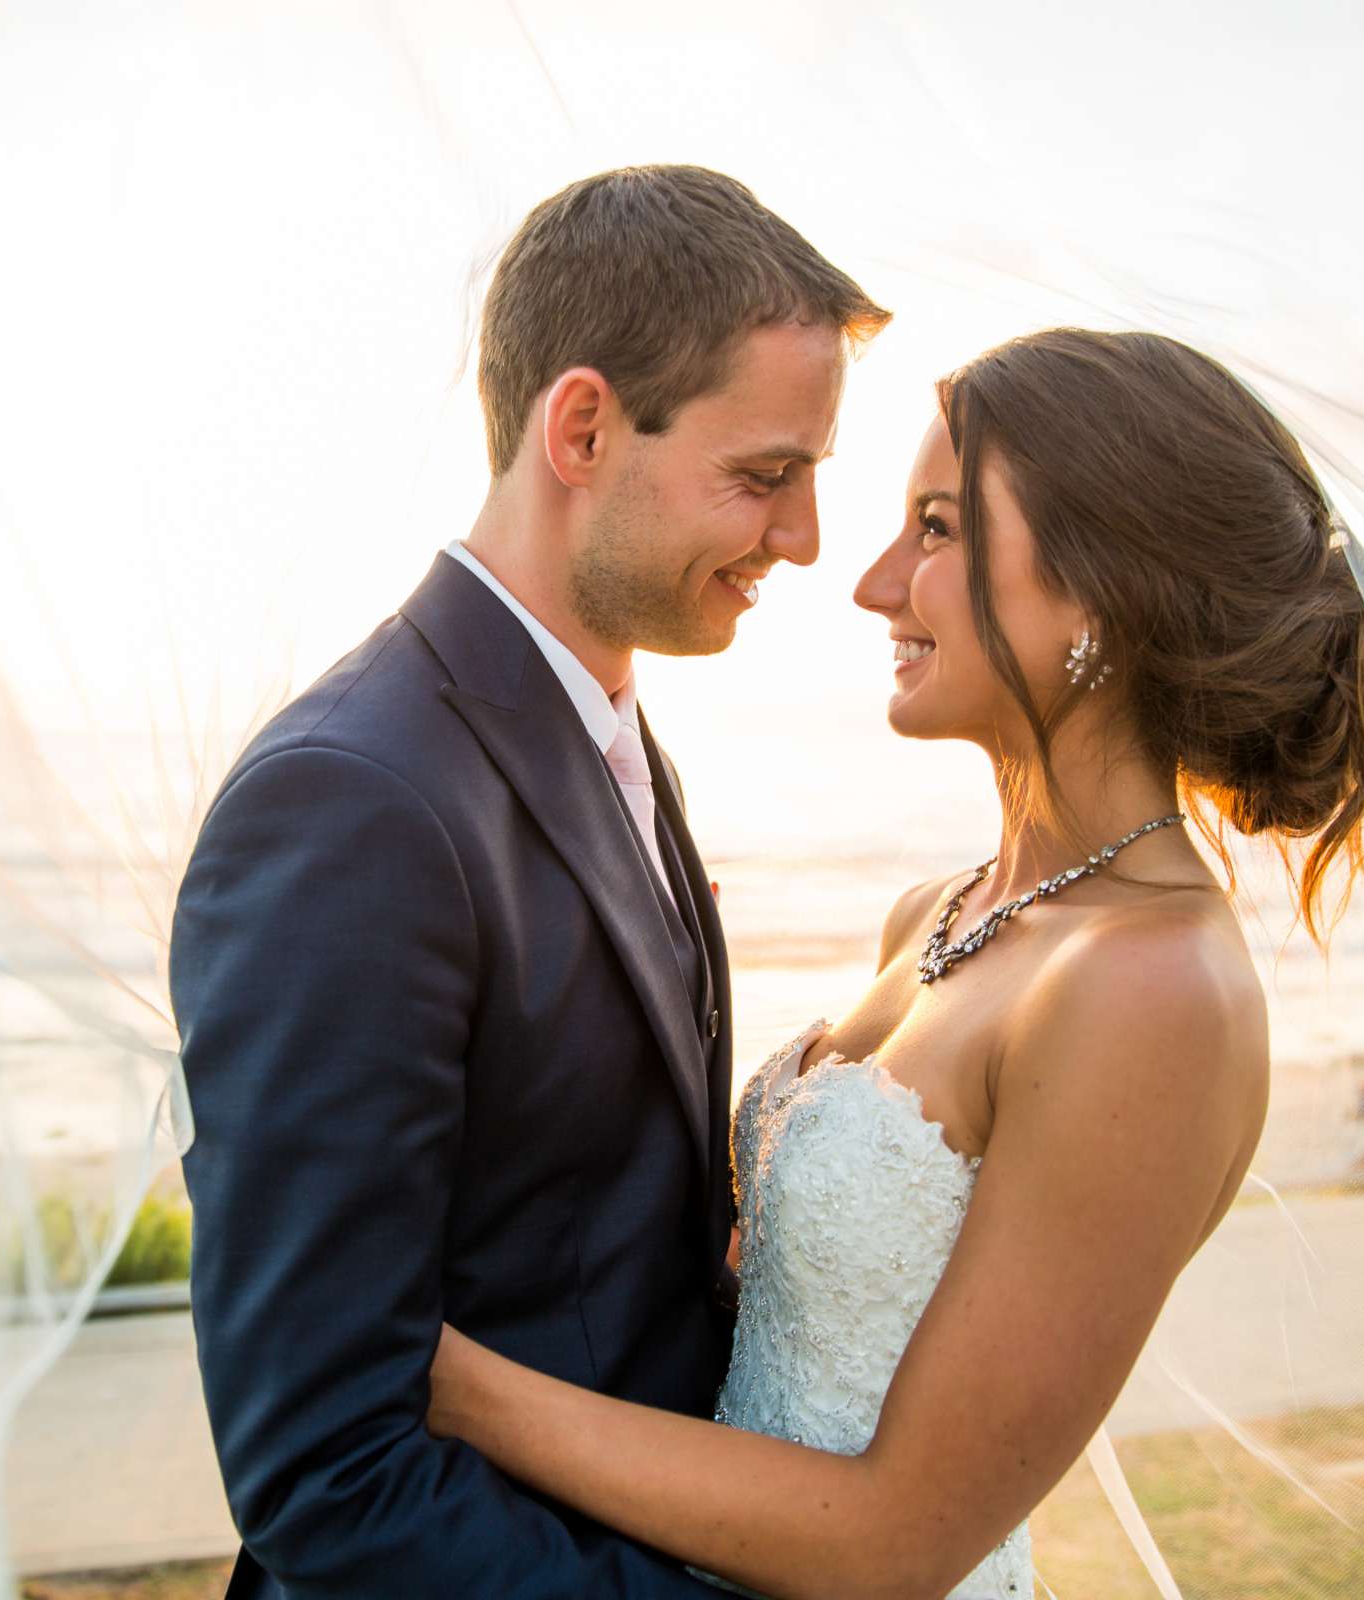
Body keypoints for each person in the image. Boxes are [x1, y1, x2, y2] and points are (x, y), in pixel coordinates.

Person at [424, 328, 1364, 1599]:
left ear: (1104, 592)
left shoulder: (1156, 990)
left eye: (938, 529)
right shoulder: (935, 914)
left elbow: (893, 1540)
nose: (874, 581)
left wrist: (452, 1382)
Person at [168, 164, 888, 1597]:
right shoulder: (351, 804)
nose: (806, 538)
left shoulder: (602, 721)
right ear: (582, 427)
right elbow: (328, 1467)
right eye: (766, 475)